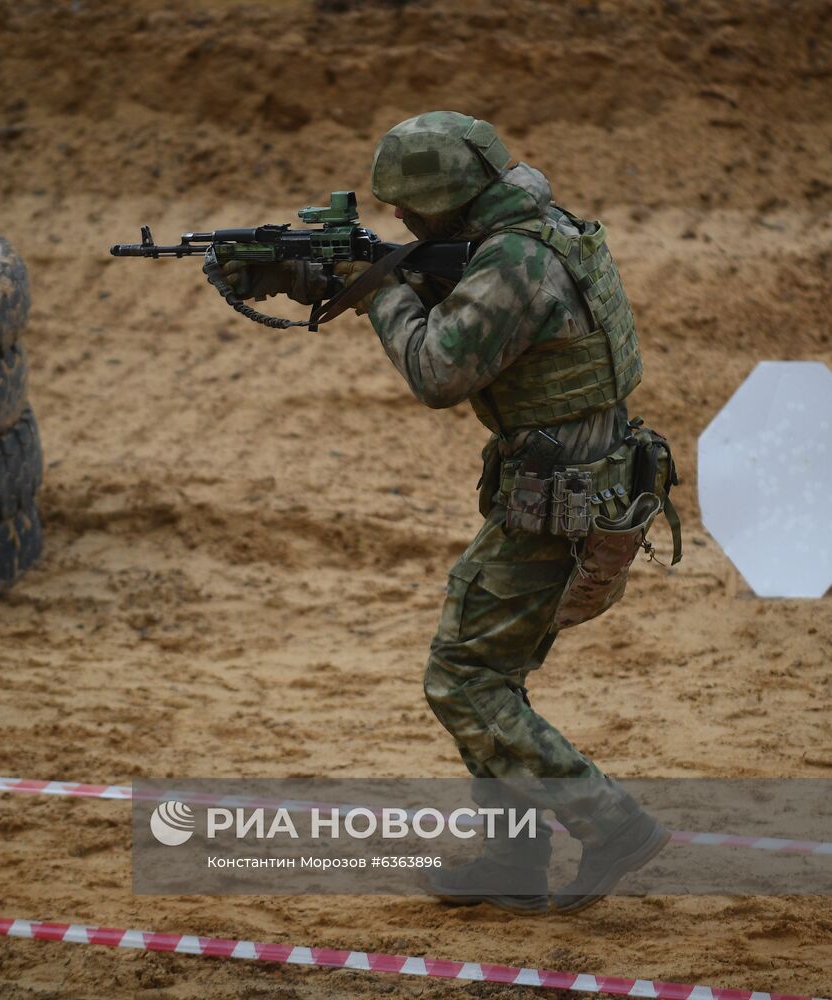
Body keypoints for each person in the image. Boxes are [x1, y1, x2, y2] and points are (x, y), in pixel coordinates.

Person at [216, 111, 678, 915]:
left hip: (559, 502)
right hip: (575, 486)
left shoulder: (516, 263)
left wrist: (378, 291)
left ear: (445, 203)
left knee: (462, 678)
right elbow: (445, 292)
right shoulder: (534, 228)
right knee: (488, 671)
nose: (396, 221)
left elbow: (437, 370)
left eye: (407, 211)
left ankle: (611, 823)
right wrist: (316, 275)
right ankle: (509, 862)